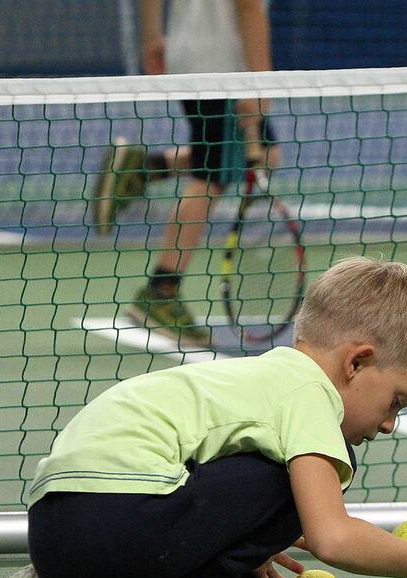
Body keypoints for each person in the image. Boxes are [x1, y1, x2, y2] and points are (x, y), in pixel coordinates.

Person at [0, 256, 407, 578]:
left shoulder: (258, 379)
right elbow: (332, 537)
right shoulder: (309, 393)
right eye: (396, 400)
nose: (390, 424)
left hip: (55, 533)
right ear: (356, 362)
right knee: (308, 477)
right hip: (118, 518)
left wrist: (232, 544)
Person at [91, 0, 281, 347]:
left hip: (189, 51)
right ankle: (162, 290)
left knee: (266, 152)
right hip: (223, 65)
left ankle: (145, 169)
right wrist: (260, 80)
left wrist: (152, 37)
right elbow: (249, 5)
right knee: (212, 176)